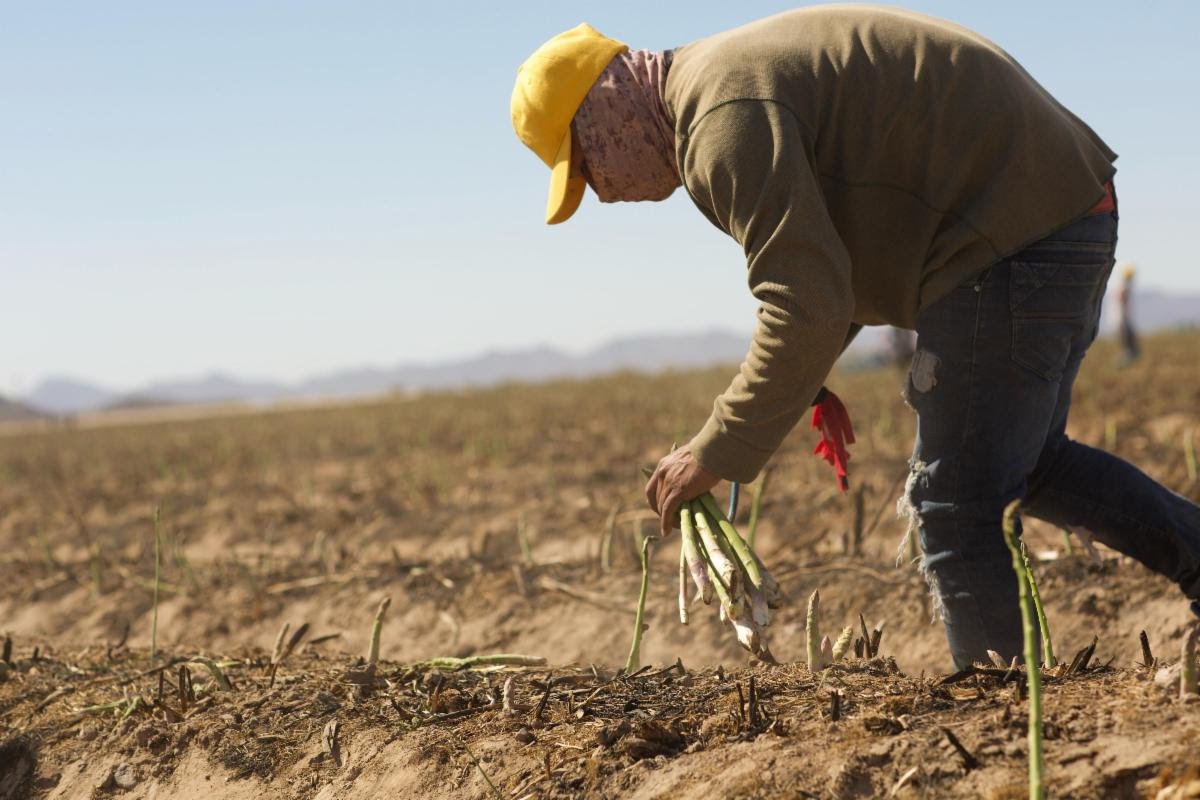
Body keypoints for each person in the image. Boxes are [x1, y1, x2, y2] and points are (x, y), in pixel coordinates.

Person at [510, 6, 1200, 669]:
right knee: (1027, 463)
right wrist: (798, 385)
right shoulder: (718, 88)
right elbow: (831, 274)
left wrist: (717, 451)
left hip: (1009, 235)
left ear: (606, 111)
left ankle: (1007, 725)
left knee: (957, 505)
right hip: (1058, 208)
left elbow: (805, 303)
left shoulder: (720, 121)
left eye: (584, 165)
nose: (599, 191)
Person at [1115, 263, 1141, 365]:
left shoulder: (1123, 285)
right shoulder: (1124, 286)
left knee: (1132, 349)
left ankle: (1124, 365)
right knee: (1131, 349)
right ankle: (1121, 365)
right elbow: (1121, 299)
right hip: (1123, 321)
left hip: (1124, 321)